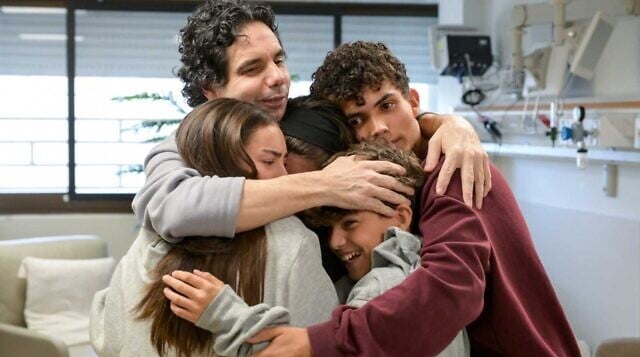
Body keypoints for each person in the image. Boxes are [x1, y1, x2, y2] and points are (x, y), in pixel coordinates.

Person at [237, 41, 587, 357]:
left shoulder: (454, 172)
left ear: (414, 102)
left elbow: (450, 289)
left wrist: (322, 347)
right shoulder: (408, 180)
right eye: (357, 120)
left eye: (387, 106)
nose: (378, 129)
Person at [132, 0, 492, 245]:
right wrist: (323, 184)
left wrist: (446, 123)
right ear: (211, 90)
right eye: (253, 68)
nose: (277, 78)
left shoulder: (297, 116)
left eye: (279, 60)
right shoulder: (186, 144)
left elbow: (374, 126)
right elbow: (170, 207)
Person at [162, 139, 470, 357]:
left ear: (401, 217)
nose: (336, 242)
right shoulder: (425, 287)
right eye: (329, 229)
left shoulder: (383, 288)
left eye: (351, 223)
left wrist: (225, 314)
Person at [90, 98, 341, 357]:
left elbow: (111, 341)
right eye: (270, 161)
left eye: (284, 162)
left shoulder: (151, 239)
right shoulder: (292, 241)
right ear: (225, 159)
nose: (284, 179)